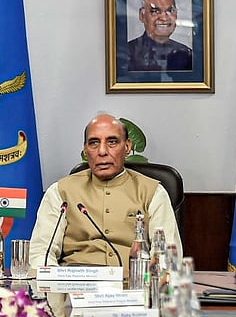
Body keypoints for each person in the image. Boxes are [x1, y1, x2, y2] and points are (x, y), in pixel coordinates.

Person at [29, 113, 181, 270]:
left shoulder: (153, 192)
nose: (102, 151)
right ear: (85, 150)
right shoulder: (60, 192)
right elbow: (41, 253)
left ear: (127, 147)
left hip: (133, 287)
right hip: (74, 286)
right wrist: (57, 285)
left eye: (112, 142)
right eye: (94, 143)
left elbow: (166, 257)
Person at [127, 0, 193, 72]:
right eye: (155, 11)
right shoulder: (127, 53)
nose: (164, 18)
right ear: (142, 15)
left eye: (170, 10)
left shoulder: (187, 55)